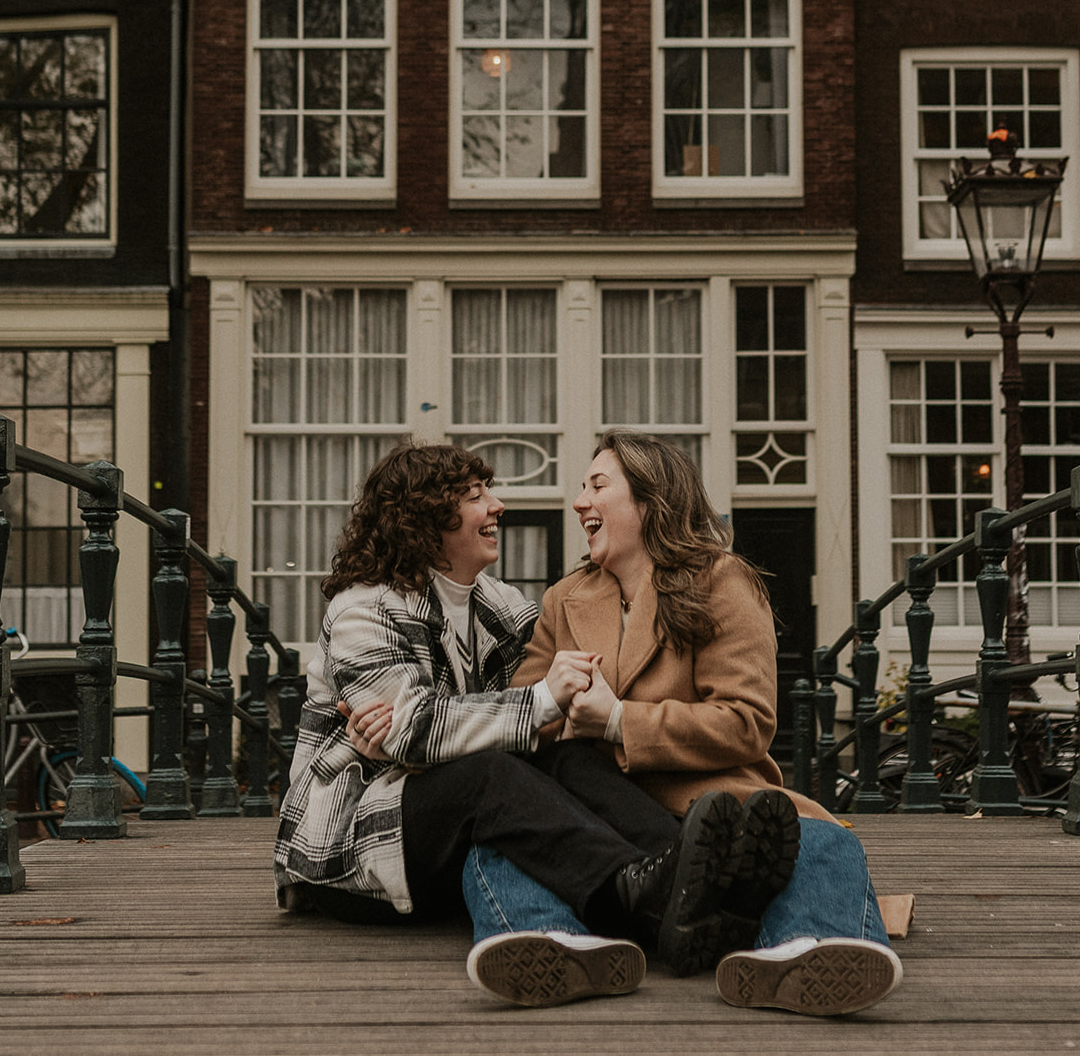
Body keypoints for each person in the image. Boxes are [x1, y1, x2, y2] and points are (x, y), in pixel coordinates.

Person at [273, 441, 792, 1007]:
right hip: (358, 847)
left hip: (442, 821)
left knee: (564, 755)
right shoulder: (363, 610)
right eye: (476, 497)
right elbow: (421, 730)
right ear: (424, 518)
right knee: (492, 771)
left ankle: (690, 875)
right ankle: (640, 894)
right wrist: (534, 703)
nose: (497, 505)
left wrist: (574, 703)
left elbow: (550, 670)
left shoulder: (493, 603)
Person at [511, 429, 904, 1017]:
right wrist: (553, 702)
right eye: (581, 488)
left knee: (820, 841)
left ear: (649, 500)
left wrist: (619, 720)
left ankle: (806, 954)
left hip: (718, 805)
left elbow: (747, 721)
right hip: (604, 814)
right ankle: (554, 946)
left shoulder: (721, 580)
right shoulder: (564, 598)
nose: (578, 503)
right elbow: (519, 715)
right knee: (510, 836)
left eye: (597, 486)